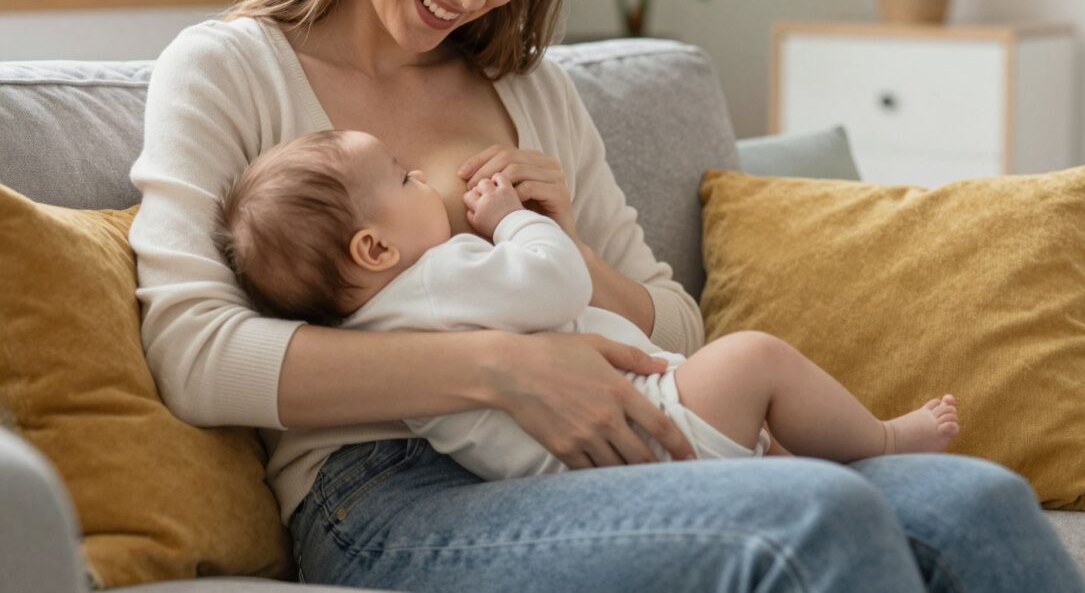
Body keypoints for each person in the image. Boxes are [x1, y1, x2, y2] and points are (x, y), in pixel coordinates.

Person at [129, 0, 1085, 591]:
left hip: (612, 433)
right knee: (812, 521)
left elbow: (675, 321)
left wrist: (572, 250)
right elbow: (194, 353)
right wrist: (500, 369)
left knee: (977, 503)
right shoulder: (228, 70)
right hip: (384, 489)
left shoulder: (530, 90)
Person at [212, 127, 963, 480]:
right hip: (647, 424)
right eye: (405, 179)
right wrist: (513, 219)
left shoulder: (388, 313)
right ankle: (884, 442)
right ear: (374, 250)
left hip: (608, 447)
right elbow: (556, 283)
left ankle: (817, 455)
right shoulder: (440, 277)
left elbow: (612, 305)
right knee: (755, 359)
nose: (424, 182)